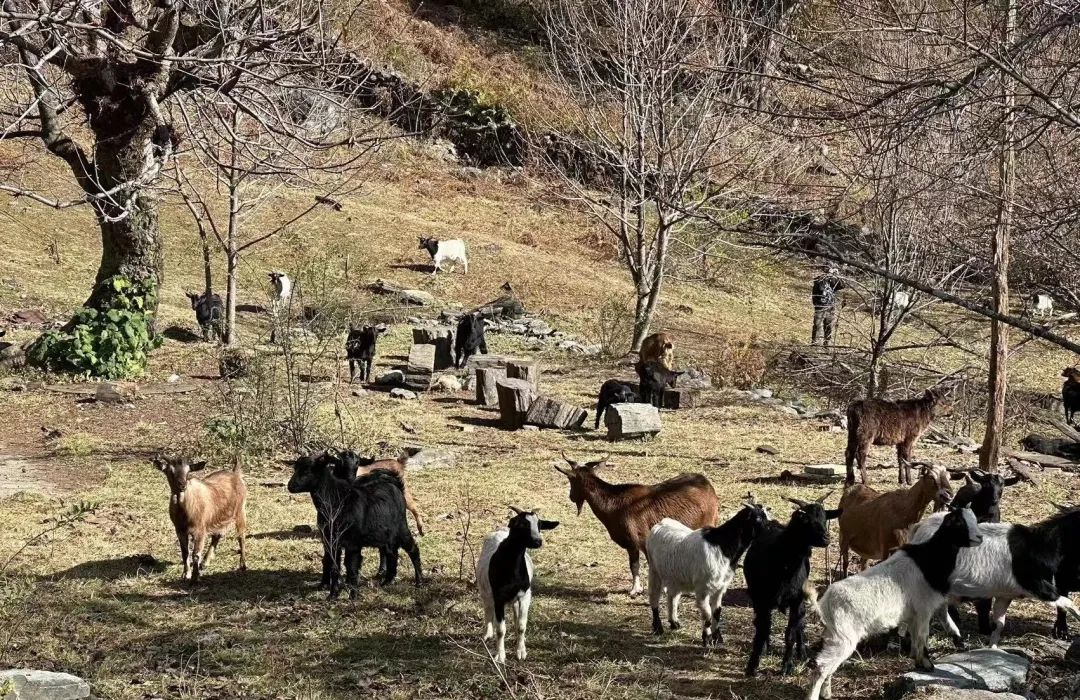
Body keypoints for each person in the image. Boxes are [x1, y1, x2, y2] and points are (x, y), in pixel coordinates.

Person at [812, 267, 845, 346]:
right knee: (818, 325)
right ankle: (816, 343)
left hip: (830, 307)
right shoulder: (819, 280)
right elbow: (820, 288)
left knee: (829, 326)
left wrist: (837, 276)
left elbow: (842, 285)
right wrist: (827, 276)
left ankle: (827, 343)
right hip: (820, 306)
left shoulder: (833, 281)